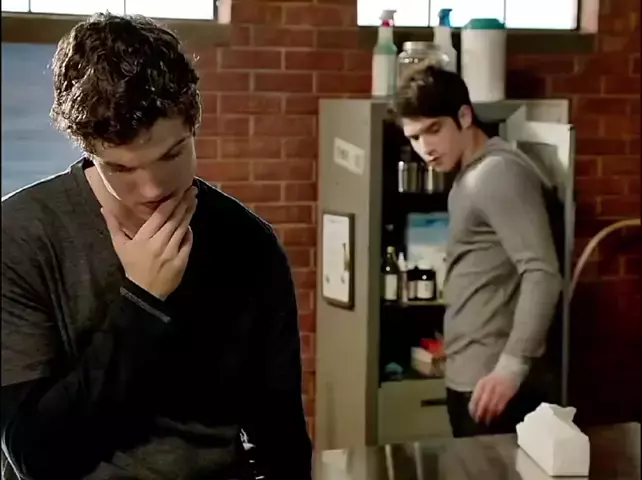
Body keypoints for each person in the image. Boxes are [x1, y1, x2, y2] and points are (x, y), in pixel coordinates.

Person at [1, 13, 312, 480]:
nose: (151, 188)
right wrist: (142, 302)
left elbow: (281, 437)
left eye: (171, 154)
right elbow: (35, 457)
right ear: (88, 150)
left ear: (194, 125)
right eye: (121, 168)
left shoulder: (248, 242)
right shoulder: (21, 236)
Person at [393, 65, 563, 438]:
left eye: (434, 129)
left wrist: (511, 367)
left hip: (494, 385)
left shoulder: (497, 173)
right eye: (415, 137)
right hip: (473, 374)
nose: (425, 148)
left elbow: (542, 273)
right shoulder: (472, 173)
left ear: (465, 116)